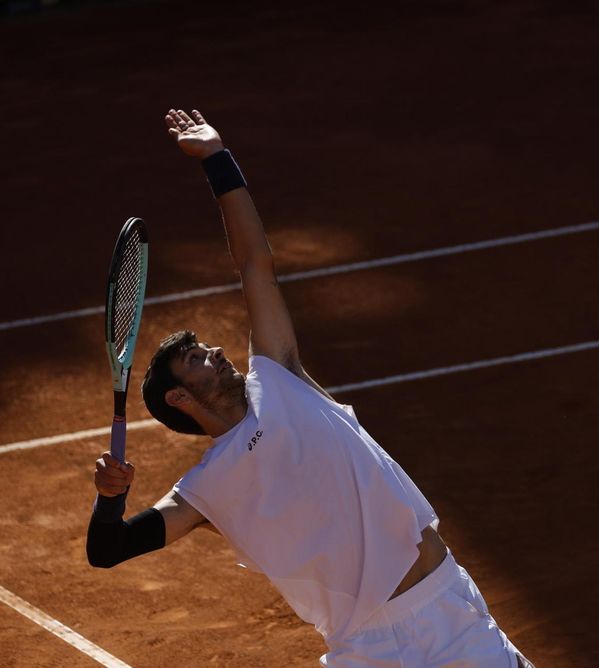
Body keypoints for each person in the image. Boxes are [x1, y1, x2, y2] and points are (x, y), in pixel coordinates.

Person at [86, 108, 533, 668]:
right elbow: (109, 550)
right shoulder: (204, 491)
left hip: (449, 613)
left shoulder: (278, 375)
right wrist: (110, 501)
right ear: (179, 398)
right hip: (369, 651)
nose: (218, 353)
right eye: (196, 359)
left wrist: (218, 161)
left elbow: (255, 266)